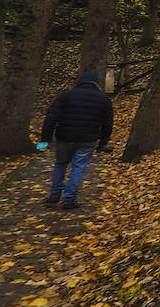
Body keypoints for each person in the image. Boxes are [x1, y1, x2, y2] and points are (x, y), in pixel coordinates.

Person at [37, 70, 113, 209]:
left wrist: (45, 139)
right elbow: (107, 124)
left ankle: (54, 194)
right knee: (78, 167)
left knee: (60, 164)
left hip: (64, 136)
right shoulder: (103, 100)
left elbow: (51, 118)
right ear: (97, 84)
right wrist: (103, 143)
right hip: (88, 139)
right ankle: (69, 198)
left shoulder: (66, 96)